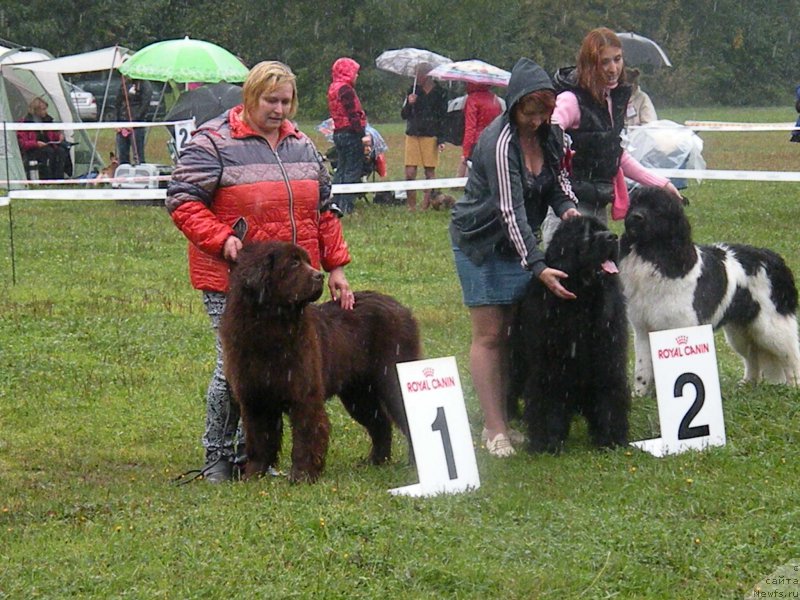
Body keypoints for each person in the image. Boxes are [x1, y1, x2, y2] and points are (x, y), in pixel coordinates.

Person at [166, 60, 354, 483]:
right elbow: (182, 200)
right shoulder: (212, 142)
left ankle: (261, 455)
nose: (279, 109)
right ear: (250, 96)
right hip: (235, 280)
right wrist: (222, 239)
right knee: (234, 370)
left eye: (286, 101)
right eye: (271, 100)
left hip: (292, 286)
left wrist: (336, 265)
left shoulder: (302, 145)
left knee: (289, 369)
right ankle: (218, 455)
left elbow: (325, 210)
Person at [449, 58, 581, 458]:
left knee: (512, 334)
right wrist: (538, 265)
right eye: (530, 112)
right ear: (515, 106)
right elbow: (510, 210)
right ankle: (494, 429)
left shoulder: (551, 136)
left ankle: (505, 417)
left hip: (518, 245)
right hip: (481, 242)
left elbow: (557, 184)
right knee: (490, 335)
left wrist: (570, 211)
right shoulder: (499, 143)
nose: (537, 121)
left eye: (544, 112)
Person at [541, 27, 682, 245]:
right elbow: (545, 136)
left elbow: (615, 155)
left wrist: (661, 184)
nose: (613, 68)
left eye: (617, 59)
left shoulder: (611, 100)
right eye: (605, 62)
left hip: (598, 204)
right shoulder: (570, 100)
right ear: (591, 64)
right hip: (569, 208)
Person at [401, 63, 448, 210]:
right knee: (410, 172)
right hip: (413, 134)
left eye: (418, 74)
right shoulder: (412, 90)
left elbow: (443, 117)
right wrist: (409, 103)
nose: (415, 77)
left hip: (431, 135)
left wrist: (441, 139)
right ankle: (411, 206)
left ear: (427, 75)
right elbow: (404, 115)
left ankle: (425, 205)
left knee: (429, 172)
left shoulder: (440, 92)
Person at [327, 57, 368, 214]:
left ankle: (334, 204)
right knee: (352, 170)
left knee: (341, 169)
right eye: (355, 72)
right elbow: (352, 114)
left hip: (338, 133)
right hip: (351, 134)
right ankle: (346, 207)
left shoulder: (333, 88)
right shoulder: (346, 90)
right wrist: (362, 134)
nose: (357, 75)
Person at [17, 97, 70, 180]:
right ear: (36, 110)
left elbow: (52, 135)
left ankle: (59, 178)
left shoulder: (47, 120)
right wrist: (36, 144)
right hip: (33, 150)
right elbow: (22, 143)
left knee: (62, 151)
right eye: (43, 109)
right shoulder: (25, 122)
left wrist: (59, 136)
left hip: (48, 146)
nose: (45, 111)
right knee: (49, 152)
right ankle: (48, 178)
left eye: (45, 109)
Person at [458, 82, 504, 177]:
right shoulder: (495, 99)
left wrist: (466, 152)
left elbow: (470, 128)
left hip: (476, 143)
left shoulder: (473, 99)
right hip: (493, 141)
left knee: (473, 175)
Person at [115, 78, 153, 164]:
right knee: (122, 154)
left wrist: (134, 121)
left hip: (136, 126)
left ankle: (140, 170)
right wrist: (117, 122)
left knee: (138, 155)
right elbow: (118, 103)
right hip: (122, 124)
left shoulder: (145, 85)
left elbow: (144, 106)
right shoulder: (124, 84)